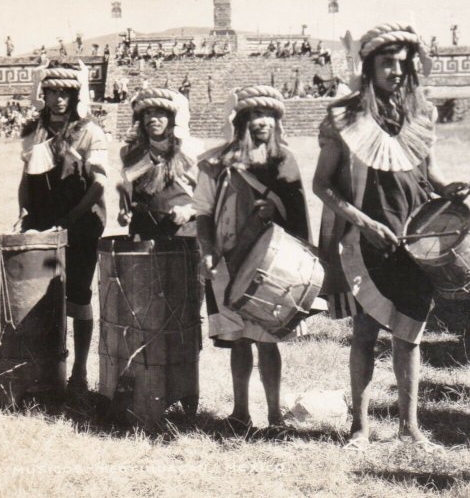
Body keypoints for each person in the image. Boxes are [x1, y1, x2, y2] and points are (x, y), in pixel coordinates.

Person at [313, 22, 470, 452]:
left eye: (404, 63)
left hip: (417, 240)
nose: (397, 71)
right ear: (369, 67)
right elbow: (322, 185)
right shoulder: (344, 117)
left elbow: (429, 173)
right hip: (367, 241)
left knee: (410, 335)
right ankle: (359, 430)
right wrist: (365, 224)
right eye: (388, 62)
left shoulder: (420, 114)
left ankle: (410, 428)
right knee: (365, 332)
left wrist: (448, 188)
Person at [195, 85, 311, 428]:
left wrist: (273, 209)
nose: (261, 122)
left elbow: (298, 213)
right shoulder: (217, 162)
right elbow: (202, 212)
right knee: (239, 338)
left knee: (268, 340)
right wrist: (208, 251)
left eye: (268, 116)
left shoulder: (284, 161)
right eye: (254, 116)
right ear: (241, 121)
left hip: (273, 264)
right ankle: (240, 412)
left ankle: (276, 416)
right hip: (228, 258)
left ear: (277, 121)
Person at [17, 60, 108, 393]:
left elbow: (98, 184)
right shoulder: (33, 130)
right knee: (46, 293)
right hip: (43, 223)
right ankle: (47, 368)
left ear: (74, 95)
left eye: (65, 92)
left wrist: (71, 220)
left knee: (79, 296)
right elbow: (26, 177)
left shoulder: (89, 131)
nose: (58, 99)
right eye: (52, 91)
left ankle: (80, 372)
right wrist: (23, 210)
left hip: (82, 223)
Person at [118, 88, 202, 238]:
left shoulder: (189, 150)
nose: (152, 119)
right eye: (147, 113)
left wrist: (188, 211)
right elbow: (127, 196)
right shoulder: (131, 153)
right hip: (144, 238)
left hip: (183, 238)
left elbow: (209, 199)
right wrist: (124, 213)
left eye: (159, 113)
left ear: (172, 118)